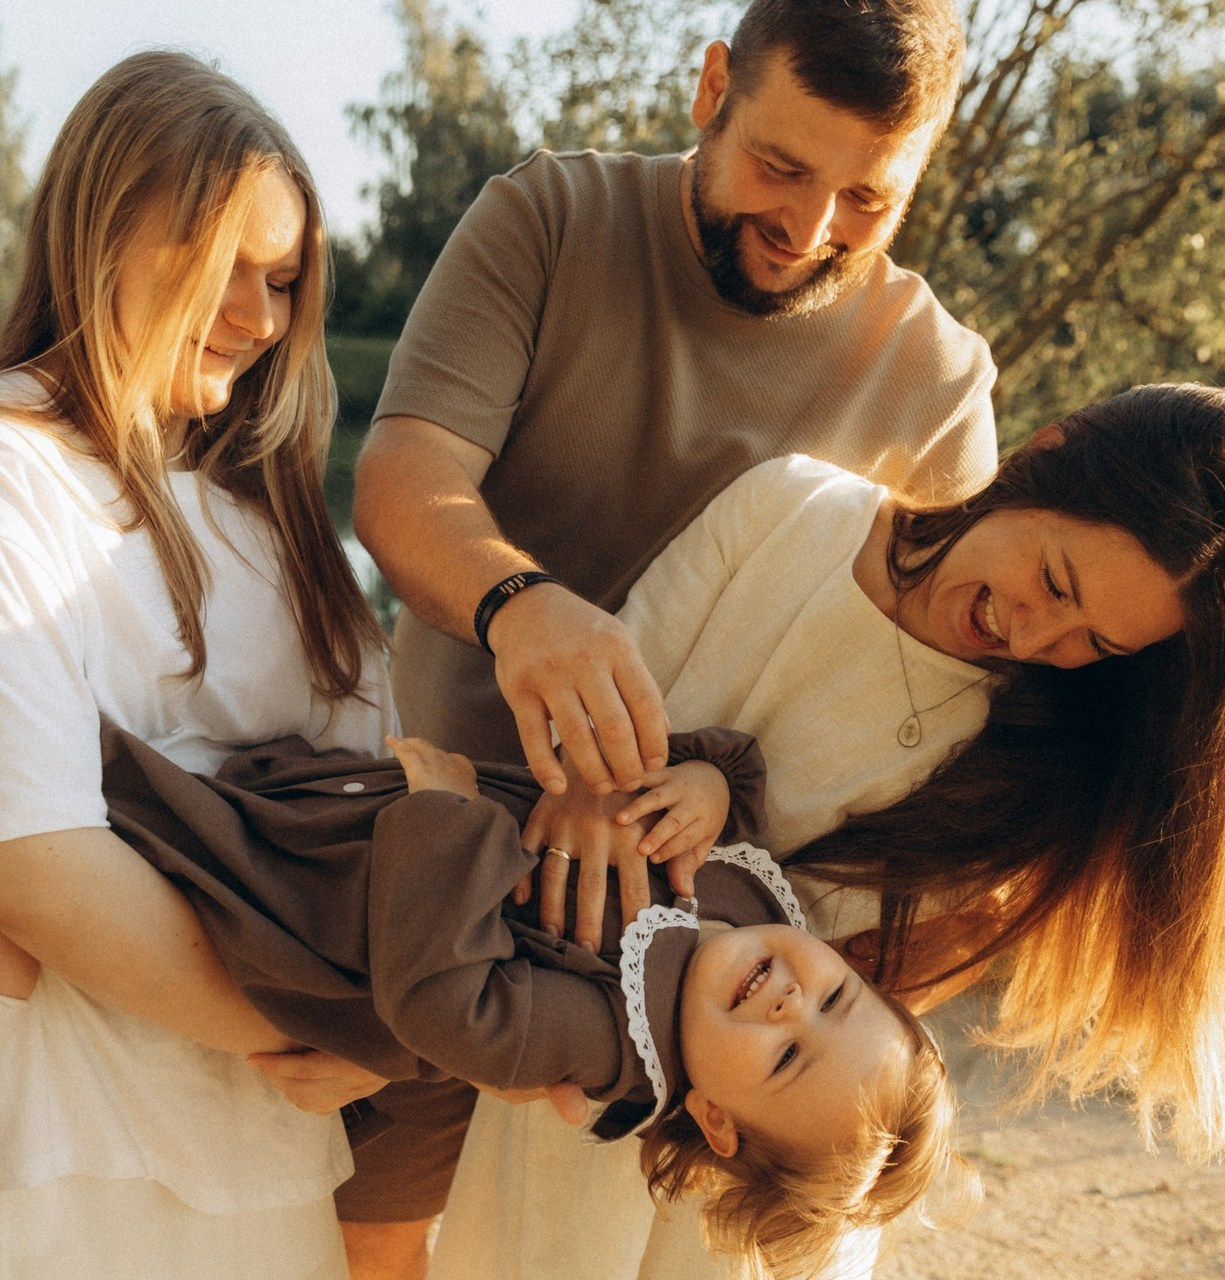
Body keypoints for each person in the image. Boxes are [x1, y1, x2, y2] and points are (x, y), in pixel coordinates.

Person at [349, 4, 996, 1266]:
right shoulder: (548, 217)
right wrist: (515, 603)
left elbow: (949, 723)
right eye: (780, 167)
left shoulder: (939, 387)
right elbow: (401, 474)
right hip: (441, 879)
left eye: (868, 198)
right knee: (374, 1240)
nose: (808, 230)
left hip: (714, 968)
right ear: (711, 87)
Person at [428, 382, 1225, 1279]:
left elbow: (871, 995)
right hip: (587, 1056)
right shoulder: (791, 510)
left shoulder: (1035, 761)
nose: (1036, 636)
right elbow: (589, 731)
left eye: (1096, 643)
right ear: (1046, 456)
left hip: (772, 1153)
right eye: (1054, 580)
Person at [98, 721, 978, 1278]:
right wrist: (707, 782)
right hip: (350, 804)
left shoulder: (608, 1040)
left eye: (788, 1059)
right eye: (837, 999)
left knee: (134, 814)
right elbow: (740, 766)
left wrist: (449, 813)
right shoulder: (754, 901)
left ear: (713, 1118)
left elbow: (447, 1006)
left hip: (332, 895)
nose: (794, 1005)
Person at [0, 51, 396, 1279]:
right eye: (225, 265)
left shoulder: (279, 529)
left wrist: (398, 1026)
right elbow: (41, 871)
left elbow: (379, 804)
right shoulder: (16, 475)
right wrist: (344, 1016)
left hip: (274, 1158)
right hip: (69, 1152)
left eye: (281, 280)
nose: (264, 318)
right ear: (100, 227)